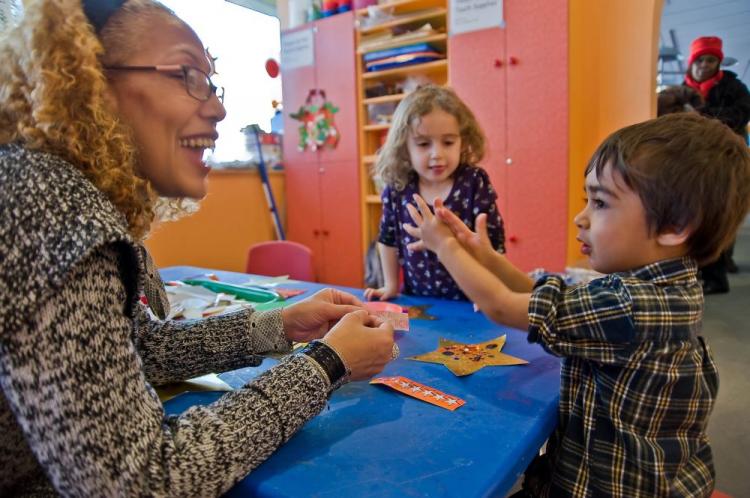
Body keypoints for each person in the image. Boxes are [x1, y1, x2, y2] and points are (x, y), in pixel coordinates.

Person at [0, 1, 396, 495]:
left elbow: (141, 346)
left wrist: (283, 322)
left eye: (211, 82)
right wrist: (327, 363)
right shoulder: (58, 213)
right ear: (85, 83)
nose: (219, 108)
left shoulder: (43, 190)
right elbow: (143, 482)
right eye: (186, 74)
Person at [404, 113, 750, 497]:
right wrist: (487, 258)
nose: (580, 217)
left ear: (675, 226)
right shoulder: (665, 288)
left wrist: (445, 247)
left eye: (600, 203)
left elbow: (502, 307)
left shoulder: (632, 306)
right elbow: (543, 298)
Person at [364, 85, 506, 301]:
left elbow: (493, 241)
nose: (437, 154)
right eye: (423, 144)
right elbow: (387, 239)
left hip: (471, 299)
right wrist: (390, 285)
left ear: (463, 141)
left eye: (448, 142)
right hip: (419, 300)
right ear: (404, 147)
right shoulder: (398, 187)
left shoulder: (474, 182)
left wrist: (490, 291)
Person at [683, 35, 750, 287]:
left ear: (718, 63)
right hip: (693, 160)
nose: (705, 65)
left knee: (723, 210)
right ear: (692, 63)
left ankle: (719, 265)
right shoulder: (683, 90)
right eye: (700, 60)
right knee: (697, 213)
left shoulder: (734, 88)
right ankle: (706, 263)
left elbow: (742, 114)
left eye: (711, 60)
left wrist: (702, 116)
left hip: (726, 157)